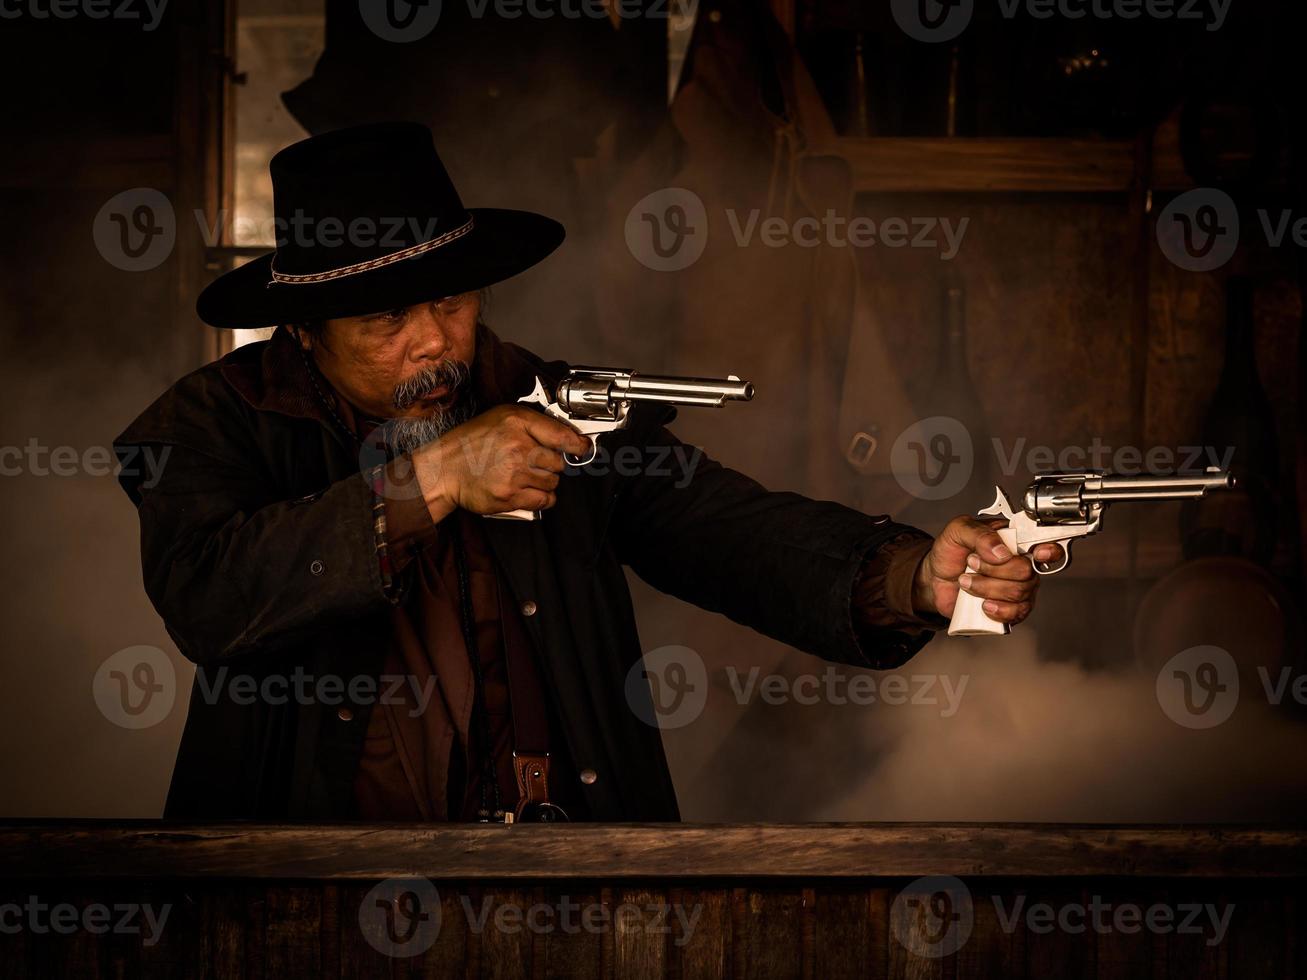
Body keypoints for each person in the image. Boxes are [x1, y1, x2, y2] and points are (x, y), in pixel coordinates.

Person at [114, 122, 1055, 822]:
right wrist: (429, 483)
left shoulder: (549, 403)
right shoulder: (213, 421)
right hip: (304, 891)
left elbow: (729, 531)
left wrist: (914, 576)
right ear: (306, 329)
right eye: (384, 322)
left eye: (451, 301)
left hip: (563, 859)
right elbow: (208, 599)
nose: (433, 343)